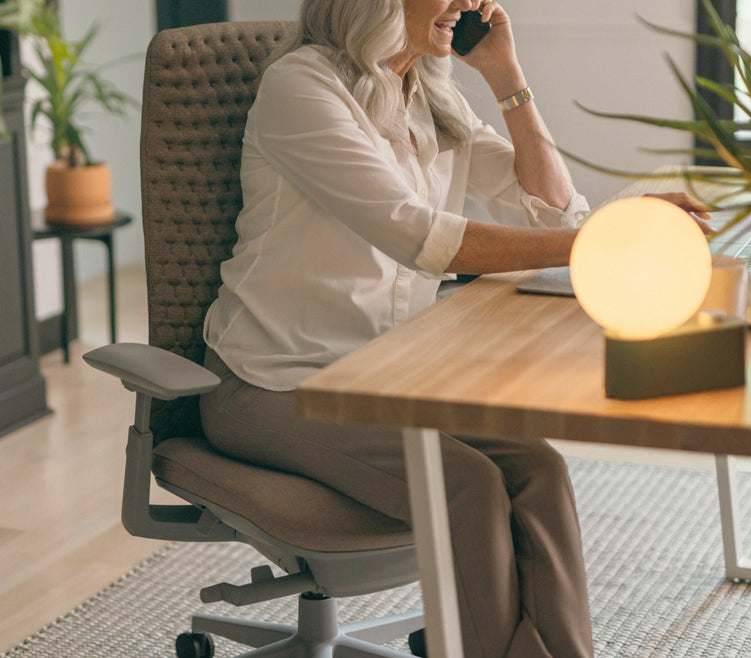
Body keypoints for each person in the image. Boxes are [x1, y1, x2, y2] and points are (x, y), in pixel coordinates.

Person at [199, 0, 708, 655]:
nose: (471, 2)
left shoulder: (427, 97)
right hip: (272, 385)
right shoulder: (302, 86)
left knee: (538, 468)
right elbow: (420, 236)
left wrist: (506, 77)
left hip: (388, 379)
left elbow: (551, 216)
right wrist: (607, 238)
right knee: (465, 484)